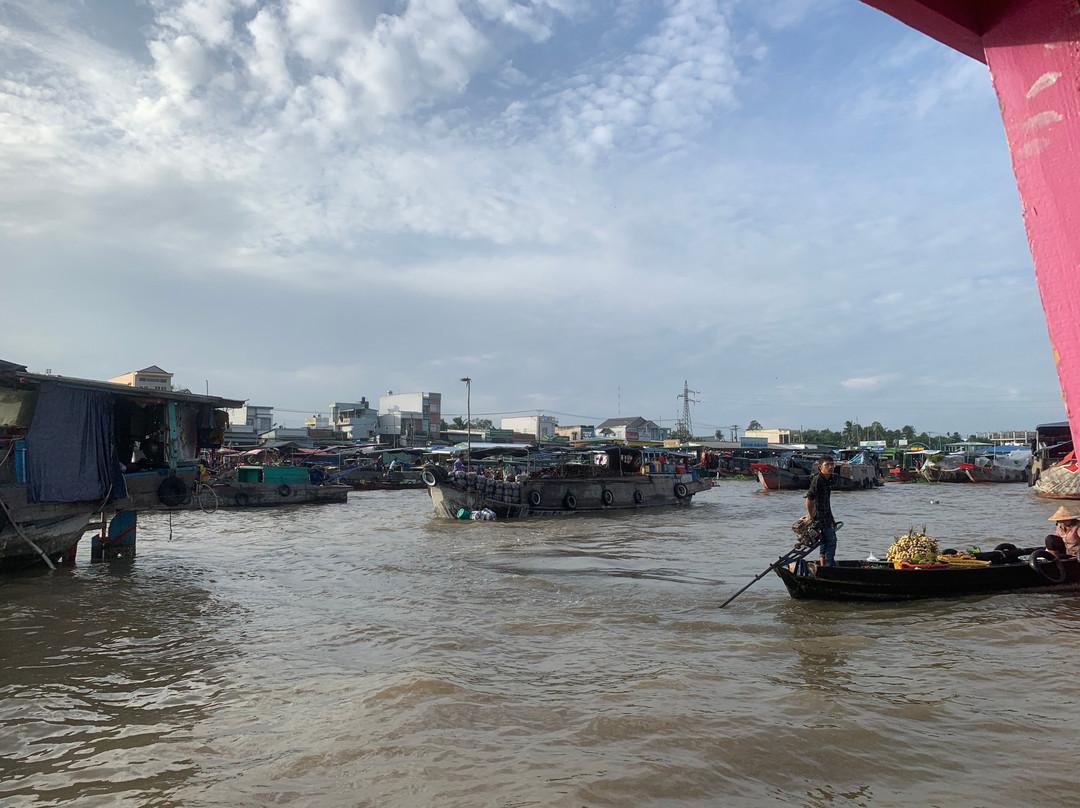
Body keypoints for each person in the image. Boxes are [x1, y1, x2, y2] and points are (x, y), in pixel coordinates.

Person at [805, 455, 838, 566]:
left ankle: (823, 565)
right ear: (820, 467)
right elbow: (810, 498)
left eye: (832, 464)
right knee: (831, 541)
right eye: (827, 465)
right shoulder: (818, 480)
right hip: (819, 518)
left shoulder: (829, 479)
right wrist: (811, 516)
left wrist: (832, 519)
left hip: (826, 517)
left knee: (824, 543)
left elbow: (826, 503)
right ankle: (829, 566)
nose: (830, 467)